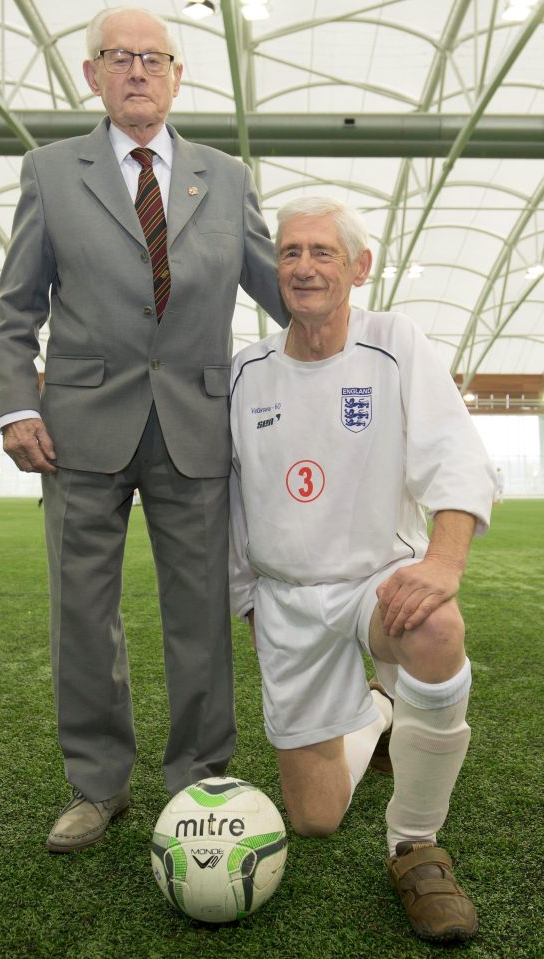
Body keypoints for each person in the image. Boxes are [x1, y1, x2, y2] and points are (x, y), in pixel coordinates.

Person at [0, 6, 287, 854]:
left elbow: (276, 287)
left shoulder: (225, 178)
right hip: (76, 429)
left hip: (196, 423)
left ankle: (199, 781)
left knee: (198, 612)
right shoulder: (50, 172)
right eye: (118, 58)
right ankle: (96, 785)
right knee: (83, 612)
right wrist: (16, 404)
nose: (137, 72)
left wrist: (361, 334)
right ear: (92, 75)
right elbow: (15, 310)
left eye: (154, 58)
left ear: (177, 76)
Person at [229, 197, 495, 942]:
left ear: (358, 266)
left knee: (436, 628)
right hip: (285, 597)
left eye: (321, 252)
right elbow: (225, 500)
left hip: (377, 580)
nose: (304, 267)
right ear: (274, 267)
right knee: (313, 819)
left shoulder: (392, 342)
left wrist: (442, 560)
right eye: (290, 252)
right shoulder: (244, 371)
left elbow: (455, 454)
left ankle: (414, 843)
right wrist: (245, 602)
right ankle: (379, 712)